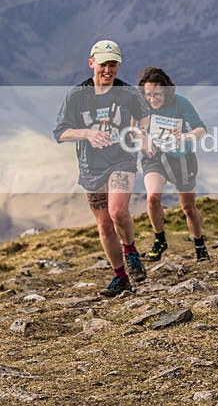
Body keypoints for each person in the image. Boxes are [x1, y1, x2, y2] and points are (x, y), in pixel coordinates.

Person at [53, 40, 150, 297]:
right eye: (103, 64)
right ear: (91, 63)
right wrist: (87, 133)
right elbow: (60, 132)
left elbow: (144, 115)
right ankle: (120, 277)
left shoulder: (128, 93)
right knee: (105, 226)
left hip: (122, 159)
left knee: (118, 211)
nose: (108, 69)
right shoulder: (77, 95)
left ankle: (131, 252)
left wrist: (142, 133)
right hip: (91, 167)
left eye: (113, 64)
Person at [137, 67, 210, 262]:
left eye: (157, 95)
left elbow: (201, 129)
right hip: (155, 157)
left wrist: (186, 135)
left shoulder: (180, 102)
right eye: (148, 95)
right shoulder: (141, 106)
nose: (152, 100)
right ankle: (160, 238)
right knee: (152, 198)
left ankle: (199, 243)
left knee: (188, 207)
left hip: (181, 158)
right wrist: (142, 138)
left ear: (166, 90)